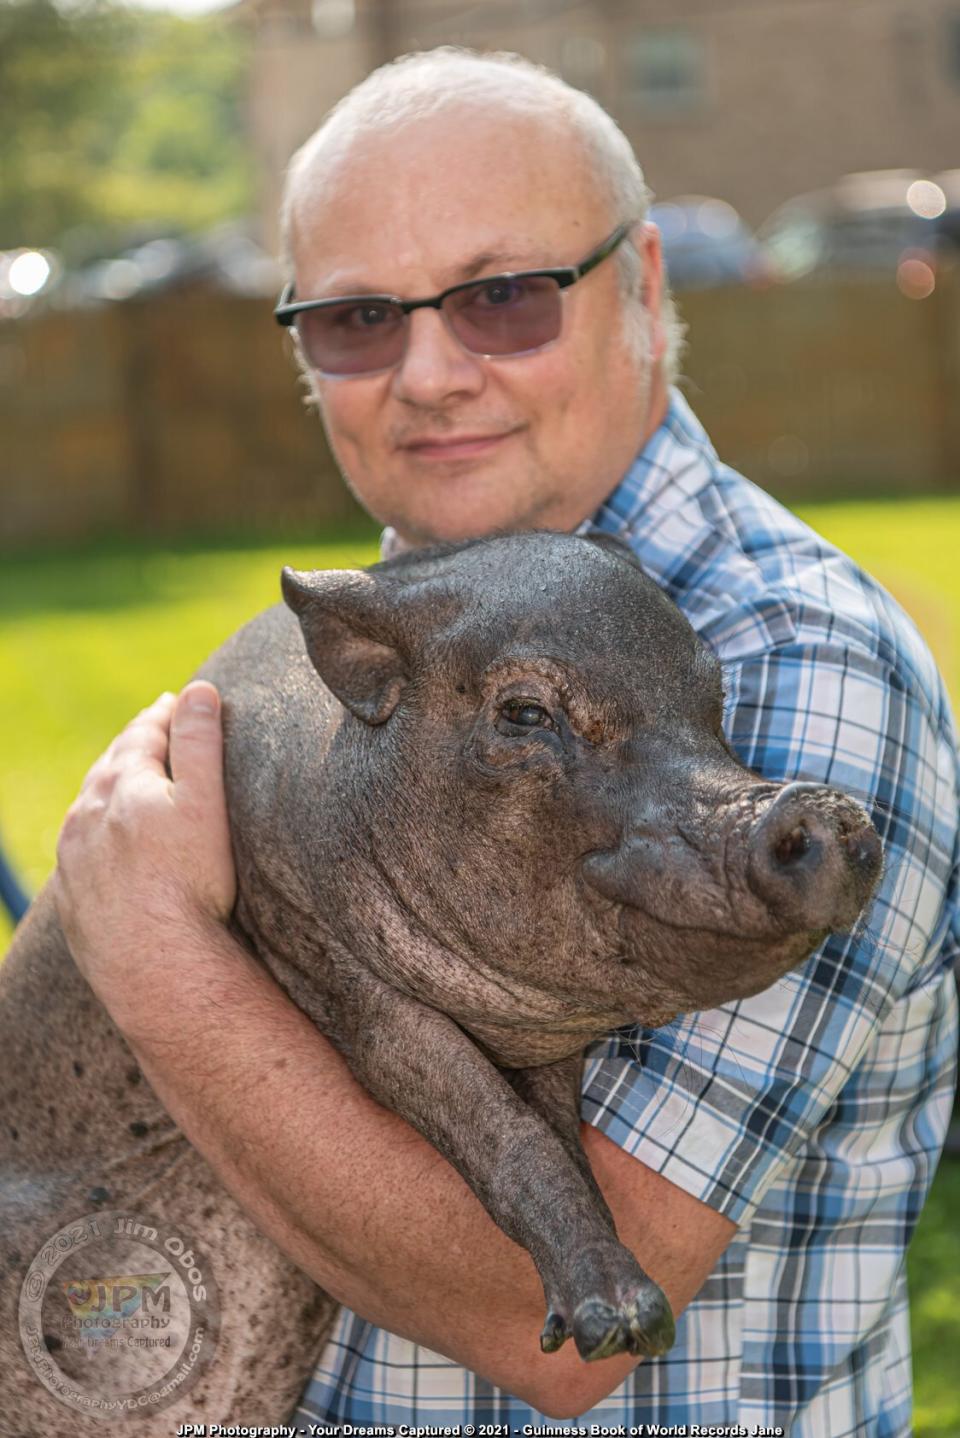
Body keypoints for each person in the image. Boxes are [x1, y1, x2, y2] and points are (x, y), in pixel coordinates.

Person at [54, 48, 959, 1434]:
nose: (428, 372)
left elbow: (563, 1336)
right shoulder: (402, 650)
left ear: (646, 287)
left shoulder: (788, 669)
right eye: (356, 318)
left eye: (502, 297)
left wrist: (159, 957)